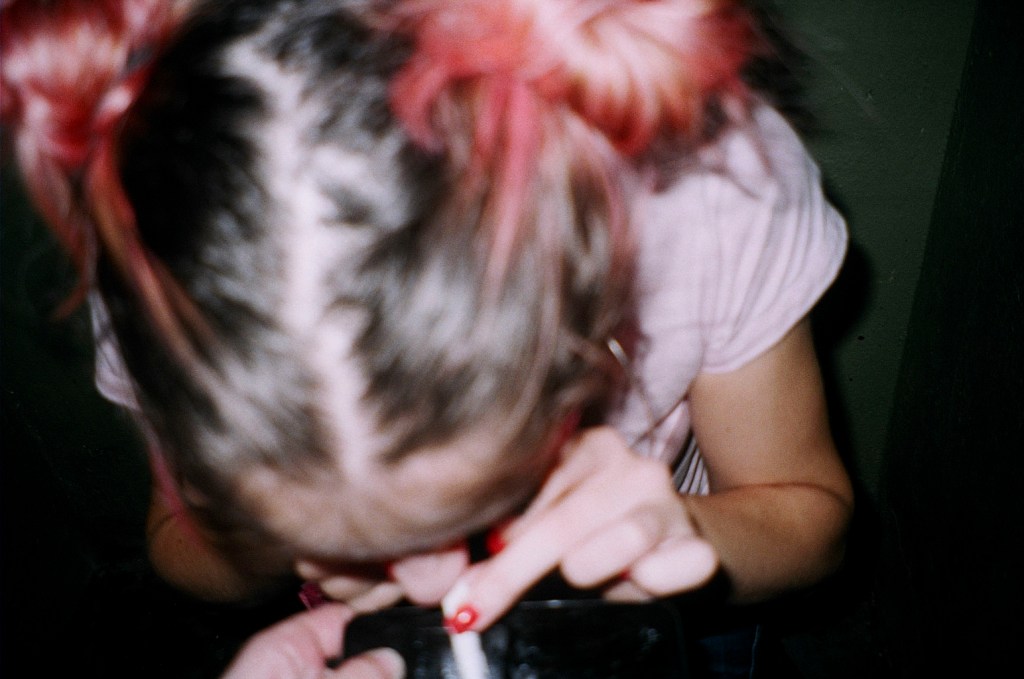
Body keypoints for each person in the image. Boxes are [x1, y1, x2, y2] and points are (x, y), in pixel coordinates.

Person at [1, 0, 853, 676]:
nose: (436, 588)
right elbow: (174, 541)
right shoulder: (173, 254)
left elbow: (813, 522)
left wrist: (690, 538)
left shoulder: (713, 196)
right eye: (361, 540)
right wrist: (265, 550)